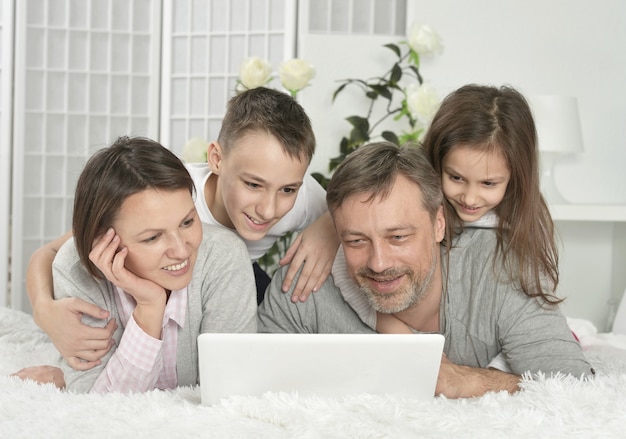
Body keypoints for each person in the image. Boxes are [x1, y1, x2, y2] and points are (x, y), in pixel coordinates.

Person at [25, 87, 338, 372]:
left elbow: (350, 218)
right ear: (216, 158)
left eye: (287, 190)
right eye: (253, 184)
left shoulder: (303, 197)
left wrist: (328, 227)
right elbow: (53, 253)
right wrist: (44, 310)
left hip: (239, 275)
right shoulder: (172, 199)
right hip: (181, 281)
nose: (268, 209)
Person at [257, 142, 594, 399]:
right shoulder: (308, 277)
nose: (379, 263)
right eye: (356, 240)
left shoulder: (501, 272)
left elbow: (580, 392)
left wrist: (467, 380)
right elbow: (247, 383)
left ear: (438, 225)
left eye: (398, 237)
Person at [17, 136, 257, 393]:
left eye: (187, 222)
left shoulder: (223, 255)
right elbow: (99, 404)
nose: (180, 250)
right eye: (152, 237)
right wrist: (150, 307)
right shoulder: (75, 271)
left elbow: (231, 387)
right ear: (103, 239)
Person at [341, 85, 562, 338]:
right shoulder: (415, 192)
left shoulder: (525, 220)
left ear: (515, 176)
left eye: (488, 183)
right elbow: (346, 267)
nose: (469, 198)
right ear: (437, 161)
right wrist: (391, 327)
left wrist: (497, 368)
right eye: (456, 177)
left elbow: (523, 315)